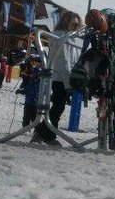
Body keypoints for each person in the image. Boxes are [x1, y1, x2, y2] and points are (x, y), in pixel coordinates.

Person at [32, 10, 82, 145]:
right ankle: (45, 134)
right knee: (58, 107)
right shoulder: (63, 38)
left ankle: (44, 132)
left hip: (59, 76)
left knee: (58, 106)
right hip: (61, 77)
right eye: (75, 24)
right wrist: (69, 82)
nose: (76, 27)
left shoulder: (64, 37)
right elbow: (65, 61)